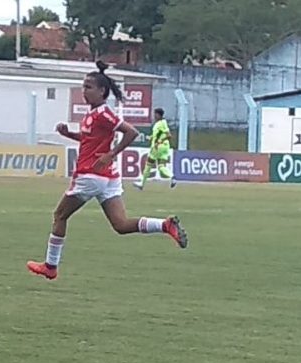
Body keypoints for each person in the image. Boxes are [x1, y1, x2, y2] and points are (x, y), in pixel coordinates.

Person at [27, 61, 188, 281]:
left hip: (90, 174)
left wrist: (111, 154)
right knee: (120, 225)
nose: (84, 91)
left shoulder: (103, 113)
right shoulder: (92, 114)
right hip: (108, 178)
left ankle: (50, 266)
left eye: (89, 87)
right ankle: (165, 225)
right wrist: (69, 134)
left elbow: (131, 132)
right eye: (83, 87)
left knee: (59, 215)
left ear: (102, 91)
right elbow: (89, 139)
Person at [134, 107, 176, 190]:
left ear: (158, 115)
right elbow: (160, 134)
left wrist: (158, 142)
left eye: (155, 114)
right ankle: (172, 177)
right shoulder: (163, 123)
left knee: (148, 165)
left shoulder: (161, 123)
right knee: (161, 167)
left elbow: (168, 135)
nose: (154, 116)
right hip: (165, 147)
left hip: (157, 147)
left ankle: (141, 183)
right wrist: (151, 137)